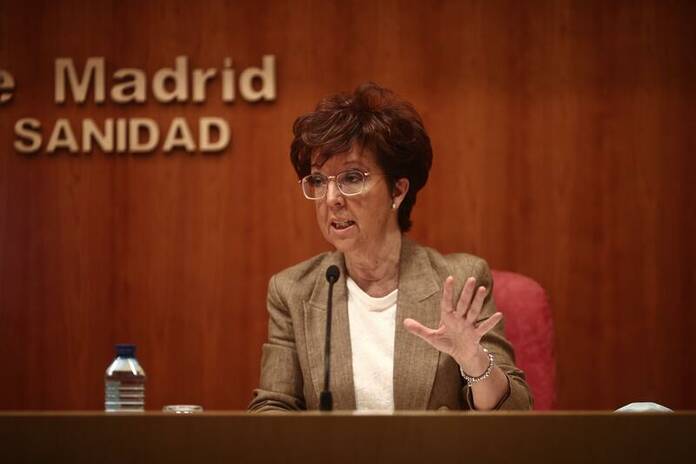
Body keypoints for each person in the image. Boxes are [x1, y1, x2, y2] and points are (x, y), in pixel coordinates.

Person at [249, 82, 532, 411]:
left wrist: (473, 360)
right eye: (318, 181)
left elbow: (515, 412)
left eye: (351, 178)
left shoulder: (458, 281)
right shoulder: (293, 291)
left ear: (397, 190)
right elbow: (272, 407)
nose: (331, 199)